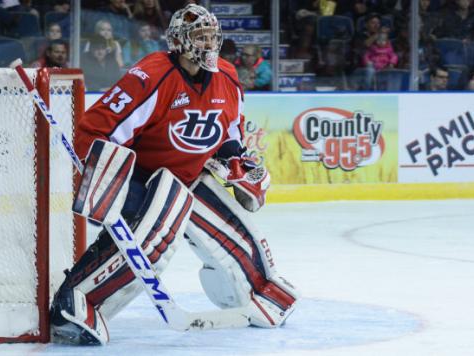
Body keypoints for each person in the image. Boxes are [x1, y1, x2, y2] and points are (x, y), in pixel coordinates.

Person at [49, 4, 298, 345]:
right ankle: (75, 302)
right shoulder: (151, 76)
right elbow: (94, 130)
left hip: (191, 176)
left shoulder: (226, 77)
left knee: (237, 237)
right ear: (179, 41)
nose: (208, 44)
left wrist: (240, 164)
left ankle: (259, 290)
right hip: (146, 177)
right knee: (151, 242)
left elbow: (229, 133)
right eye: (200, 36)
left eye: (212, 36)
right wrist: (109, 186)